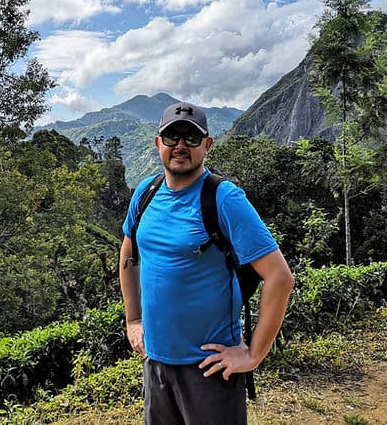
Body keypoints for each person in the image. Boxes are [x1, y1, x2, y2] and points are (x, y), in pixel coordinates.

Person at [119, 101, 295, 424]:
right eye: (172, 137)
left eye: (192, 138)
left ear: (208, 145)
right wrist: (133, 320)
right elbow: (129, 255)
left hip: (209, 368)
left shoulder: (223, 198)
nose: (181, 146)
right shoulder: (145, 193)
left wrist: (254, 354)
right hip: (155, 364)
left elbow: (280, 278)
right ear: (158, 143)